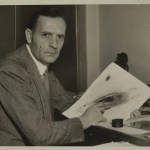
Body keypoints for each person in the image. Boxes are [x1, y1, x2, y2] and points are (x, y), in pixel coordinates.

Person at [0, 7, 107, 146]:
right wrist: (85, 120)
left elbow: (65, 102)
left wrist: (115, 108)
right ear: (29, 36)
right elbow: (40, 135)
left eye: (60, 37)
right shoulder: (11, 71)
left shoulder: (43, 66)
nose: (54, 45)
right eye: (46, 35)